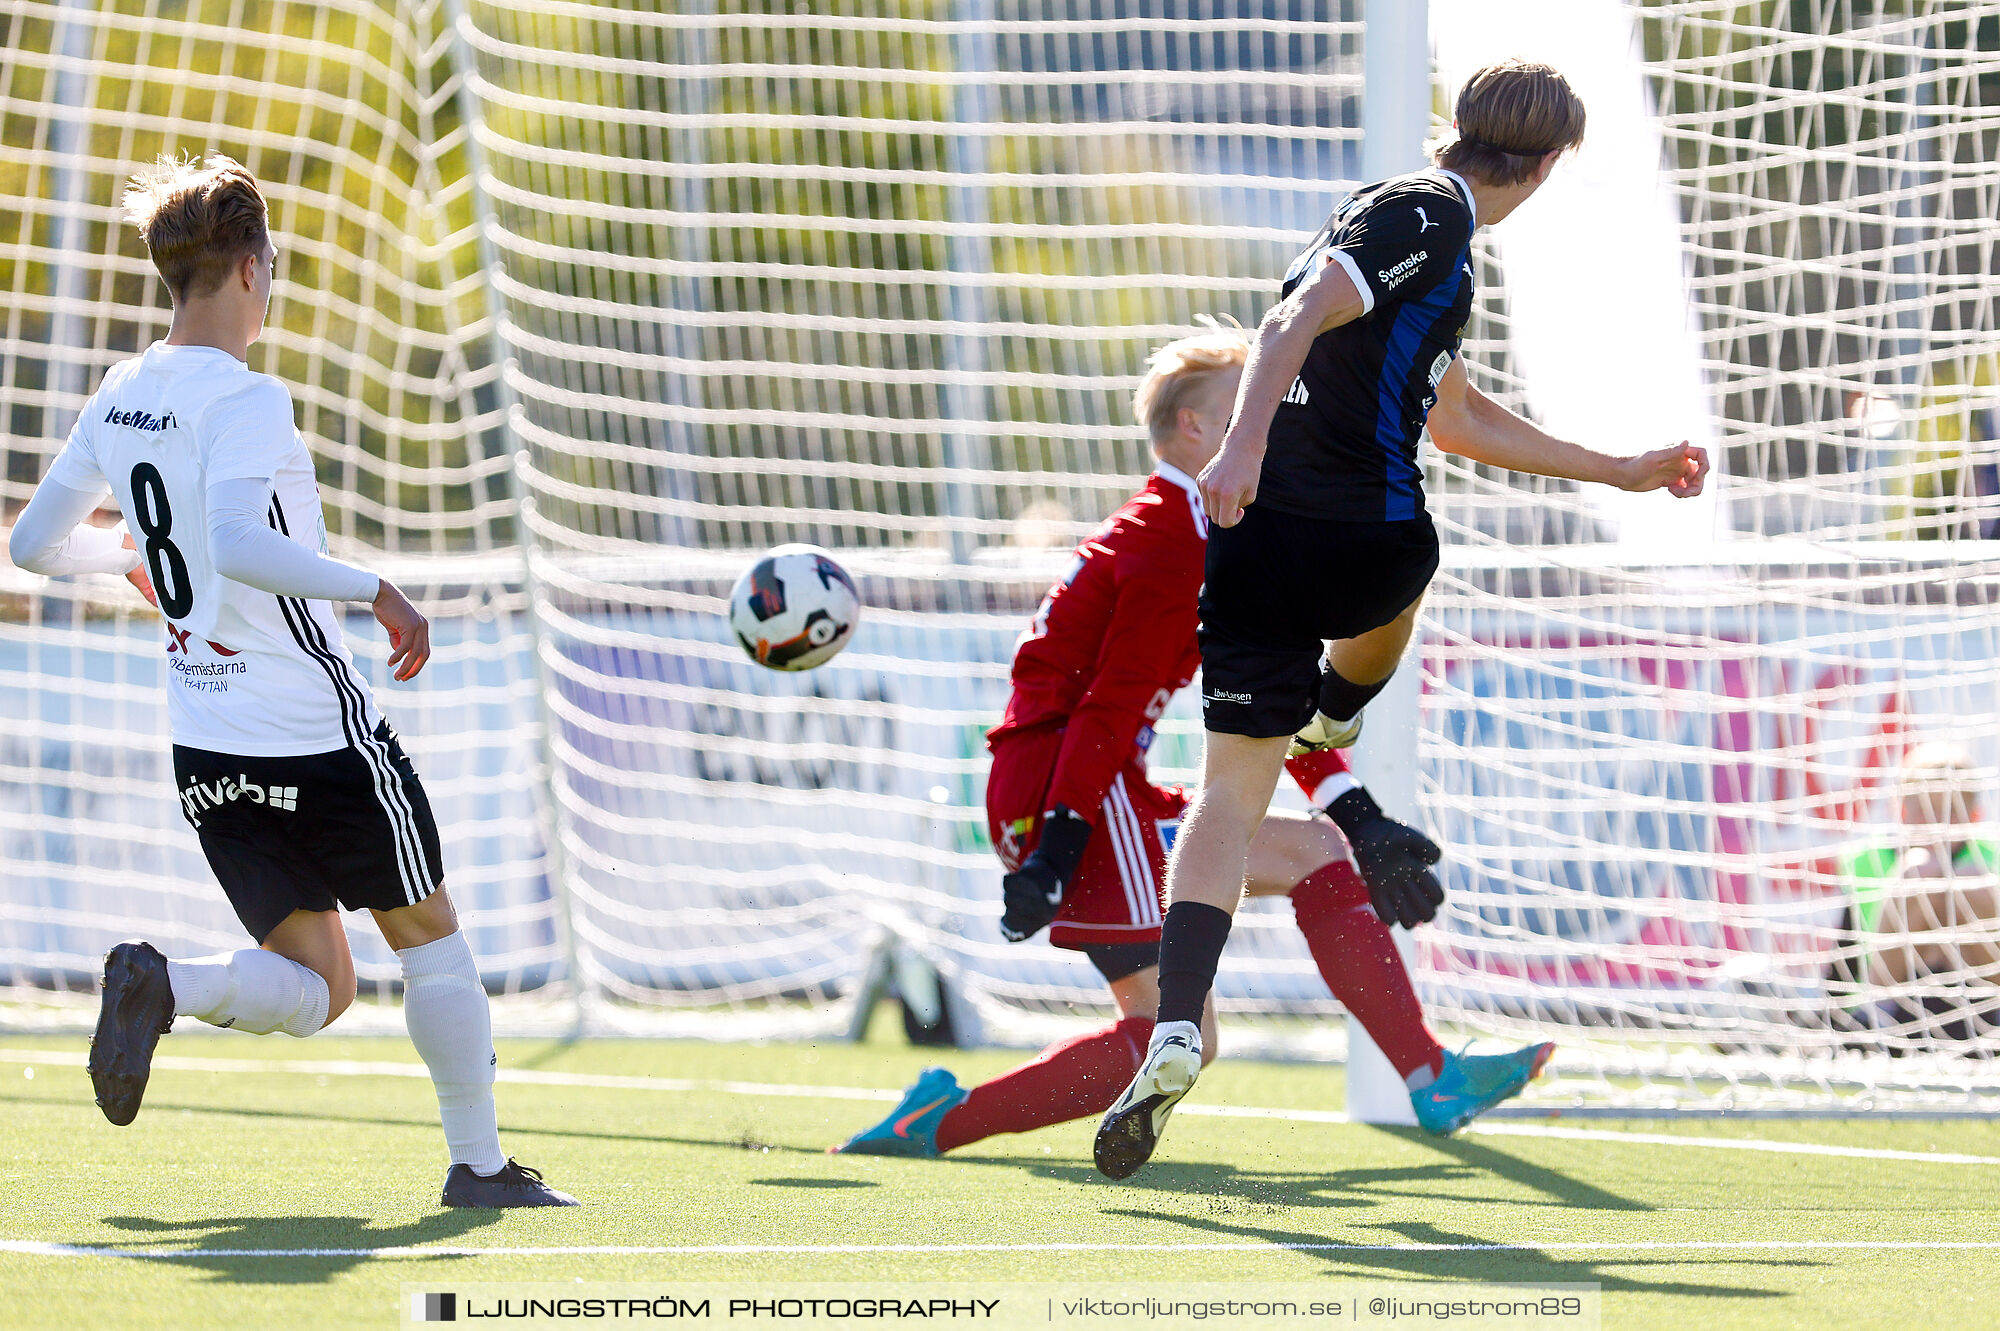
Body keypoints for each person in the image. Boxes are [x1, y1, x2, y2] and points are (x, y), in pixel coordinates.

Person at [1097, 60, 1708, 1178]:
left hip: (1253, 548)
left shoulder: (1395, 216)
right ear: (1553, 160)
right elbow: (1290, 315)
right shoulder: (1425, 216)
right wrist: (1237, 443)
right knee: (1407, 562)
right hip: (1348, 533)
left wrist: (1615, 470)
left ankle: (1179, 1017)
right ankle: (1336, 709)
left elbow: (1456, 409)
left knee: (1230, 789)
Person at [832, 325, 1550, 1172]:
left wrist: (1361, 819)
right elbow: (1107, 706)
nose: (1277, 422)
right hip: (1071, 789)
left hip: (1095, 788)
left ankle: (1429, 1075)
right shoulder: (1169, 540)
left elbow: (1261, 706)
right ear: (1195, 432)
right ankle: (937, 1126)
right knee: (1174, 1036)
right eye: (1256, 406)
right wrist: (1056, 846)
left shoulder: (1213, 534)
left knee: (1300, 879)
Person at [6, 155, 574, 1208]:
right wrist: (377, 588)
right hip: (312, 731)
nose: (273, 281)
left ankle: (162, 983)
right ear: (242, 268)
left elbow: (34, 545)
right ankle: (481, 1165)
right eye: (271, 262)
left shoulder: (125, 388)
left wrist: (128, 557)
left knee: (325, 988)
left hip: (207, 744)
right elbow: (235, 542)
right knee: (432, 943)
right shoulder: (249, 397)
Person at [1832, 742, 2000, 1045]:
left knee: (1968, 880)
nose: (1936, 824)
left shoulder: (1990, 860)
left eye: (1949, 812)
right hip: (1892, 1008)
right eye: (1923, 810)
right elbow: (1840, 967)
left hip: (1981, 1009)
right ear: (1900, 810)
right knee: (1919, 872)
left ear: (1974, 815)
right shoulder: (1866, 860)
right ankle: (1873, 1021)